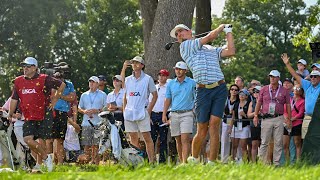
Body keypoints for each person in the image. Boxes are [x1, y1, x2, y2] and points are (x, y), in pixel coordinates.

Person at [170, 23, 235, 164]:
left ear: (189, 31)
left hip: (219, 88)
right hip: (202, 91)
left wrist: (228, 32)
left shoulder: (210, 48)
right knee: (202, 129)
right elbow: (210, 36)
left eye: (180, 31)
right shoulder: (185, 46)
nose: (179, 35)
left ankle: (212, 161)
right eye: (177, 34)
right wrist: (220, 27)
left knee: (214, 124)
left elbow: (230, 51)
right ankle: (194, 158)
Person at [8, 57, 66, 172]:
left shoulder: (44, 78)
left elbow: (62, 85)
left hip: (44, 115)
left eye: (28, 66)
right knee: (27, 139)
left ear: (35, 68)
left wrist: (55, 100)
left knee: (42, 140)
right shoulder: (18, 81)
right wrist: (10, 113)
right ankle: (47, 158)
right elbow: (14, 99)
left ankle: (40, 165)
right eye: (24, 66)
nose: (25, 68)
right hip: (29, 117)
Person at [121, 56, 158, 163]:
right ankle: (136, 162)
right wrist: (124, 111)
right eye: (133, 63)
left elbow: (155, 95)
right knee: (133, 138)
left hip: (142, 112)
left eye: (137, 63)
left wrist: (149, 111)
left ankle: (151, 162)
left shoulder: (148, 79)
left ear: (142, 65)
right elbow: (125, 96)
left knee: (147, 138)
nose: (134, 64)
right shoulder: (128, 79)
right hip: (129, 113)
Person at [253, 70, 291, 166]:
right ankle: (262, 163)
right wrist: (256, 115)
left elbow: (288, 105)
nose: (272, 78)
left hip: (279, 117)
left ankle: (276, 163)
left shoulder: (284, 90)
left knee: (278, 142)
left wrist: (289, 119)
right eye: (271, 76)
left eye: (274, 77)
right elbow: (259, 102)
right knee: (264, 141)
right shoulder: (264, 89)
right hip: (266, 118)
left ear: (278, 78)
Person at [162, 62, 196, 164]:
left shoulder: (192, 82)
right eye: (177, 69)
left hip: (187, 113)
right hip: (174, 114)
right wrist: (164, 114)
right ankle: (182, 162)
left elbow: (197, 97)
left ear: (185, 71)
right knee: (178, 139)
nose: (178, 71)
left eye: (181, 69)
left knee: (185, 138)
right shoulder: (171, 83)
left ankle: (185, 163)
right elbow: (168, 99)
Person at [281, 53, 320, 139]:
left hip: (318, 118)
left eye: (315, 76)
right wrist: (287, 64)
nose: (313, 78)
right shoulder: (307, 85)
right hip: (307, 117)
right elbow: (295, 75)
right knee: (306, 141)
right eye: (312, 76)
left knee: (317, 141)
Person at [78, 76, 107, 165]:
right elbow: (79, 107)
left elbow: (106, 108)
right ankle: (87, 162)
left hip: (98, 123)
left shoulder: (102, 94)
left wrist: (97, 110)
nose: (91, 83)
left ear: (97, 84)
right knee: (86, 144)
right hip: (86, 122)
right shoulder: (84, 95)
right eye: (90, 81)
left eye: (93, 82)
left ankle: (95, 163)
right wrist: (84, 111)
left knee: (96, 144)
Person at [50, 71, 76, 164]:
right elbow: (52, 97)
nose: (58, 80)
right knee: (51, 139)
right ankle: (51, 161)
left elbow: (72, 97)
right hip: (52, 112)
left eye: (60, 78)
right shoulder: (51, 83)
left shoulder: (69, 84)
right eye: (56, 78)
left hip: (63, 113)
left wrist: (60, 95)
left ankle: (60, 163)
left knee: (60, 139)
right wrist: (63, 96)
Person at [150, 69, 170, 163]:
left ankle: (162, 161)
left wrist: (167, 115)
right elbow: (150, 102)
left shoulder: (169, 88)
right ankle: (150, 160)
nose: (161, 77)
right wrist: (149, 115)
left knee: (163, 139)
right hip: (153, 114)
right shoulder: (154, 87)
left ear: (167, 77)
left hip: (164, 114)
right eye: (160, 75)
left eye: (164, 75)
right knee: (151, 139)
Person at [283, 84, 305, 162]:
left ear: (301, 91)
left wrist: (292, 119)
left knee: (297, 144)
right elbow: (284, 110)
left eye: (298, 88)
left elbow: (301, 113)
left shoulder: (302, 101)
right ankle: (287, 162)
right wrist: (287, 119)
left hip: (297, 123)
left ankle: (298, 162)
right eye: (295, 87)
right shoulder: (289, 99)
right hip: (287, 123)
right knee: (285, 144)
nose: (296, 89)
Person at [228, 89, 251, 163]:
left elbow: (250, 116)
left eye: (243, 94)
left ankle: (245, 162)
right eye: (240, 94)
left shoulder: (248, 104)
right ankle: (233, 161)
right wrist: (230, 128)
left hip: (244, 126)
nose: (241, 96)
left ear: (246, 96)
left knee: (243, 146)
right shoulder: (236, 104)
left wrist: (244, 115)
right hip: (236, 126)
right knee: (234, 145)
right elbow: (233, 117)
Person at [106, 75, 127, 147]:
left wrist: (117, 107)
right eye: (114, 80)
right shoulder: (109, 94)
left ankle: (123, 155)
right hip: (112, 116)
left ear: (121, 82)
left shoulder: (125, 92)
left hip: (122, 116)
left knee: (122, 136)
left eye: (117, 80)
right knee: (112, 136)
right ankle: (114, 155)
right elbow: (108, 107)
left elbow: (127, 107)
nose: (115, 82)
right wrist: (111, 108)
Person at [221, 84, 239, 163]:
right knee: (224, 141)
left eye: (235, 90)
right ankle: (224, 160)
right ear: (230, 90)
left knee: (235, 142)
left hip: (235, 123)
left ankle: (236, 159)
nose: (234, 91)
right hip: (225, 121)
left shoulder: (238, 101)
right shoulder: (225, 99)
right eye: (232, 89)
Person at [247, 86, 262, 163]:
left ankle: (264, 161)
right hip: (254, 125)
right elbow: (248, 115)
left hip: (263, 125)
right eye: (254, 92)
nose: (256, 93)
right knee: (254, 144)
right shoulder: (252, 103)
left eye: (257, 92)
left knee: (263, 144)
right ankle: (253, 162)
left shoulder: (265, 102)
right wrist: (256, 113)